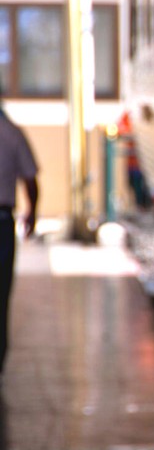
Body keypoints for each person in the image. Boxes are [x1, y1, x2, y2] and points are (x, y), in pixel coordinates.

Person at [0, 89, 39, 377]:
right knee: (1, 297)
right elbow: (30, 179)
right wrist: (32, 212)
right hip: (2, 222)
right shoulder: (12, 134)